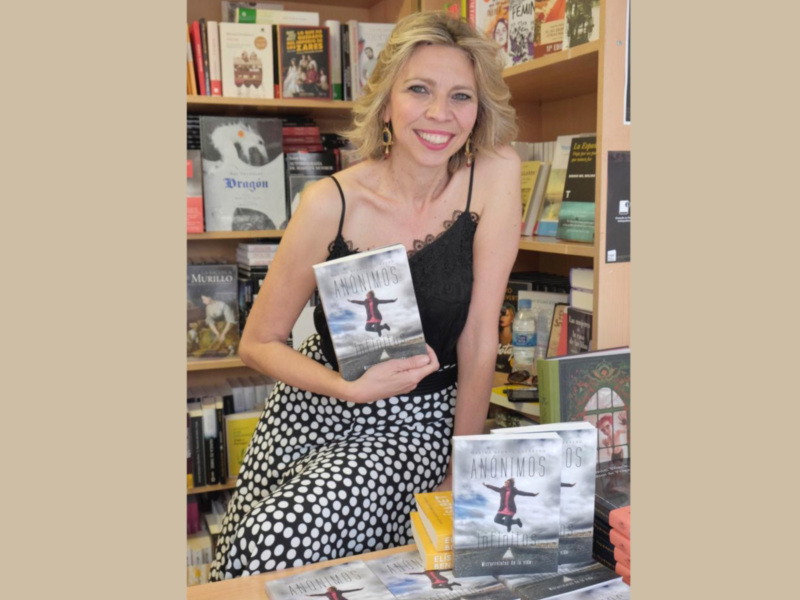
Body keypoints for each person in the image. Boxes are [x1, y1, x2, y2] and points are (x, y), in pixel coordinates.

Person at [209, 11, 520, 581]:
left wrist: (462, 466)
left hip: (421, 421)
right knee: (252, 558)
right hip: (316, 410)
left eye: (460, 97)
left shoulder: (495, 174)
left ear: (480, 111)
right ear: (386, 99)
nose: (439, 115)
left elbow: (479, 337)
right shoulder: (329, 203)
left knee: (275, 537)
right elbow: (258, 342)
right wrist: (346, 389)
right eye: (419, 90)